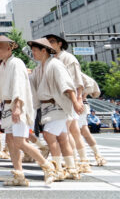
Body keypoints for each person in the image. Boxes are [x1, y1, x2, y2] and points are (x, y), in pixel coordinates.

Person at [0, 36, 56, 187]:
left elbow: (19, 85)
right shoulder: (4, 65)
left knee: (20, 141)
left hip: (17, 104)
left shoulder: (16, 63)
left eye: (0, 47)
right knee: (11, 141)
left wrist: (17, 106)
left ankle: (47, 166)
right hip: (7, 105)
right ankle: (19, 175)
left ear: (10, 48)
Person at [28, 38, 83, 180]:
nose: (33, 53)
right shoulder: (40, 68)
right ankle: (71, 168)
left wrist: (76, 101)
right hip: (48, 106)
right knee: (62, 138)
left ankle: (58, 168)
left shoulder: (55, 64)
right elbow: (31, 80)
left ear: (44, 51)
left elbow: (67, 84)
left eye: (35, 50)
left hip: (57, 105)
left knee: (48, 134)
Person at [45, 34, 90, 173]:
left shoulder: (68, 58)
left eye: (52, 42)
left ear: (59, 43)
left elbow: (77, 80)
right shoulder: (53, 59)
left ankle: (78, 162)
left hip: (69, 99)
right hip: (61, 100)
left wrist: (78, 99)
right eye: (48, 42)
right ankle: (78, 161)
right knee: (71, 131)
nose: (50, 44)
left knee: (69, 131)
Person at [80, 72, 106, 165]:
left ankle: (84, 158)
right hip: (80, 104)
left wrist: (82, 96)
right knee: (83, 131)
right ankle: (97, 156)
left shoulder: (75, 71)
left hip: (79, 105)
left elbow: (90, 84)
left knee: (76, 132)